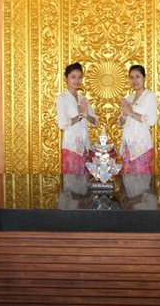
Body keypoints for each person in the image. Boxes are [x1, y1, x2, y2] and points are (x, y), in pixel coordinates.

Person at [56, 62, 97, 209]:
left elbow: (95, 121)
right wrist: (80, 115)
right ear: (66, 78)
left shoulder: (83, 99)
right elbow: (62, 124)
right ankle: (69, 215)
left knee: (84, 183)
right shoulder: (62, 98)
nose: (77, 80)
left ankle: (82, 213)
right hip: (71, 147)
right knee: (71, 183)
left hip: (85, 147)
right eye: (73, 76)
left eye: (79, 77)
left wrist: (86, 114)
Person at [118, 64, 158, 210]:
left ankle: (143, 215)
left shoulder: (150, 96)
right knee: (128, 182)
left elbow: (151, 120)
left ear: (144, 78)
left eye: (138, 77)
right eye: (131, 77)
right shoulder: (129, 98)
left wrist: (131, 112)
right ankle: (131, 215)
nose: (134, 80)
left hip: (142, 148)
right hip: (128, 147)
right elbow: (121, 122)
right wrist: (124, 113)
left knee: (141, 182)